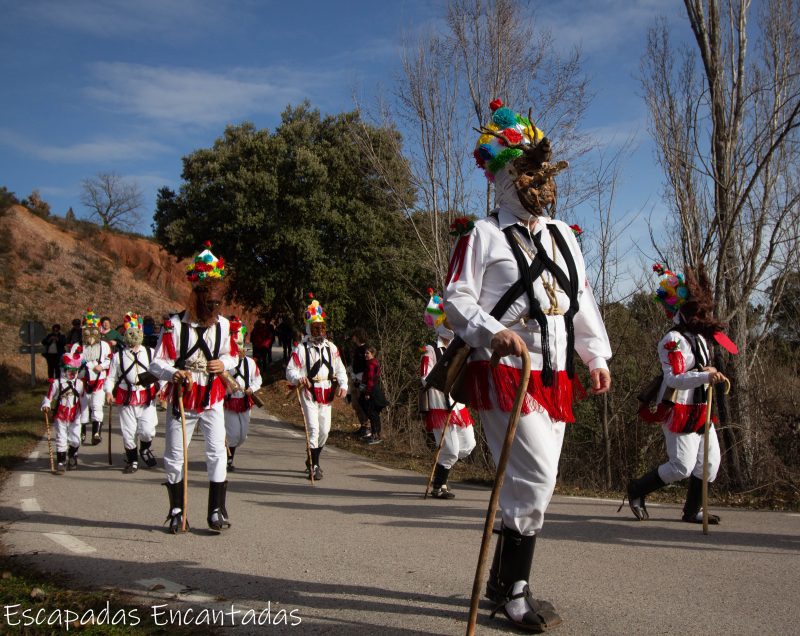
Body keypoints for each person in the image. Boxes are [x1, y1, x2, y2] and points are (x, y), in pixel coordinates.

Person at [443, 99, 612, 631]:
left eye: (544, 174)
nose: (540, 184)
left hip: (555, 373)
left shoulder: (564, 236)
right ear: (504, 179)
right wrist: (495, 334)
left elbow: (581, 298)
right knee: (536, 476)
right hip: (504, 372)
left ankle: (500, 583)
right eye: (527, 174)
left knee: (530, 479)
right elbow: (455, 300)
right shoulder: (482, 235)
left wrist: (594, 353)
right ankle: (515, 592)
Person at [626, 263, 733, 524]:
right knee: (681, 467)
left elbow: (700, 367)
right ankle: (637, 489)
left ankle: (691, 511)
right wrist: (705, 375)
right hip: (680, 408)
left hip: (702, 408)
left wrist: (709, 370)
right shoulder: (671, 341)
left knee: (709, 465)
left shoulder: (702, 338)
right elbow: (674, 379)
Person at [149, 242, 237, 534]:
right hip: (184, 397)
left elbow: (233, 355)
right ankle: (177, 510)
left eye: (217, 302)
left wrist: (222, 365)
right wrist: (175, 373)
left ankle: (216, 510)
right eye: (209, 302)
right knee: (175, 454)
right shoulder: (174, 325)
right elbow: (156, 362)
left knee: (216, 452)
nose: (214, 308)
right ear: (197, 296)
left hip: (212, 396)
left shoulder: (224, 326)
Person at [420, 290, 476, 498]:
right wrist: (443, 379)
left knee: (468, 445)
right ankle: (438, 486)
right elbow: (425, 378)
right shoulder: (430, 351)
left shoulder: (459, 348)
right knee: (450, 450)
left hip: (457, 405)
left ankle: (441, 471)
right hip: (439, 407)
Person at [286, 295, 348, 480]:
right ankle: (314, 466)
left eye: (322, 328)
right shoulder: (301, 349)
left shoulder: (332, 348)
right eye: (315, 328)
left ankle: (312, 458)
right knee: (313, 428)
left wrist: (343, 385)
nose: (320, 332)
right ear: (309, 329)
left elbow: (340, 369)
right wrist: (300, 377)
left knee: (324, 430)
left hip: (327, 390)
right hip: (309, 391)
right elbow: (290, 370)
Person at [105, 312, 161, 474]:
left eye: (135, 331)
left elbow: (160, 373)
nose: (132, 335)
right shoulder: (118, 356)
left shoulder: (150, 353)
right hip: (126, 396)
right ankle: (132, 460)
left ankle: (144, 449)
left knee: (148, 430)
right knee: (129, 431)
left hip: (146, 395)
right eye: (129, 331)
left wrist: (161, 389)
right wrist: (109, 392)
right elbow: (111, 377)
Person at [223, 318, 263, 472]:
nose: (240, 348)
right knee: (233, 433)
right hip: (229, 402)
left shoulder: (250, 363)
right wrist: (228, 389)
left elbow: (258, 379)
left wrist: (252, 389)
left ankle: (228, 448)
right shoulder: (225, 362)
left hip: (245, 402)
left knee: (242, 436)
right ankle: (228, 459)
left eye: (241, 344)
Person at [41, 349, 85, 472]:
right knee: (61, 437)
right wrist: (46, 405)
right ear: (64, 369)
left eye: (75, 371)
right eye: (70, 371)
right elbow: (48, 397)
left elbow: (83, 400)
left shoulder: (80, 384)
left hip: (75, 414)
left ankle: (72, 455)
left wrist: (85, 415)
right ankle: (61, 462)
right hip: (61, 414)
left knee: (76, 439)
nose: (73, 374)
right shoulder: (56, 383)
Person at [79, 310, 112, 445]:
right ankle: (81, 432)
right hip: (82, 381)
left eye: (93, 330)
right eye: (88, 330)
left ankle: (96, 433)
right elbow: (71, 362)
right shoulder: (78, 346)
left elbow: (110, 360)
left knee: (97, 406)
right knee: (83, 407)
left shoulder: (104, 346)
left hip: (99, 380)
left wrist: (102, 366)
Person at [359, 346, 388, 445]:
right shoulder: (371, 363)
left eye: (368, 353)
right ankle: (373, 434)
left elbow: (371, 379)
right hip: (371, 389)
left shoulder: (372, 364)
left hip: (372, 391)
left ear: (372, 354)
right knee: (371, 413)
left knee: (373, 413)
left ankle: (376, 435)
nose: (365, 355)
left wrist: (367, 393)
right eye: (365, 353)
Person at [348, 327, 370, 438]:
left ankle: (366, 428)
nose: (353, 338)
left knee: (362, 405)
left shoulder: (366, 350)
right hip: (355, 380)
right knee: (356, 404)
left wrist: (362, 380)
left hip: (361, 382)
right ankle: (362, 426)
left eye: (354, 335)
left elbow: (368, 368)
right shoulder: (356, 349)